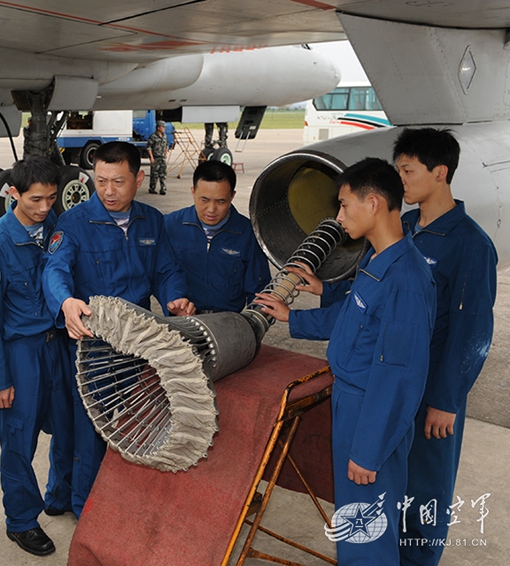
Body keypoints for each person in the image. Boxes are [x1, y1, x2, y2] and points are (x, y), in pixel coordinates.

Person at [254, 158, 436, 565]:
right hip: (354, 404)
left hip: (370, 413)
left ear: (373, 204)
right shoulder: (376, 261)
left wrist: (368, 451)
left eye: (343, 205)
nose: (337, 217)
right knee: (354, 529)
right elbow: (354, 319)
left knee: (367, 532)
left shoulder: (404, 279)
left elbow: (398, 376)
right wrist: (294, 316)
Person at [42, 141, 195, 516]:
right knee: (88, 430)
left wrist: (175, 299)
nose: (108, 191)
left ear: (139, 179)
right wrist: (65, 302)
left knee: (133, 423)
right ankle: (86, 510)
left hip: (138, 345)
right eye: (101, 181)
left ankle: (116, 498)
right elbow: (55, 269)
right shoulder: (74, 222)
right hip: (93, 346)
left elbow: (166, 270)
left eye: (118, 182)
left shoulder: (151, 221)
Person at [393, 129, 497, 564]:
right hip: (397, 384)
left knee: (426, 495)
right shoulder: (405, 228)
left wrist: (446, 400)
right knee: (392, 487)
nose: (400, 180)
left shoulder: (471, 245)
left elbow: (472, 333)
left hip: (433, 392)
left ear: (440, 173)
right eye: (398, 170)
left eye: (408, 171)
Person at [0, 156, 73, 556]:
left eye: (51, 198)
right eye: (35, 200)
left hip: (56, 346)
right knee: (19, 440)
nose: (44, 207)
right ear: (13, 193)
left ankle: (60, 495)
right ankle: (21, 520)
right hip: (20, 354)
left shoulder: (53, 229)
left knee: (66, 427)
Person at [164, 160, 271, 313]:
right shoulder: (170, 226)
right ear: (193, 191)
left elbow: (259, 290)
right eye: (204, 200)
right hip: (181, 320)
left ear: (232, 196)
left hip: (227, 323)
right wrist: (172, 304)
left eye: (221, 201)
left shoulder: (249, 234)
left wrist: (254, 322)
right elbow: (160, 276)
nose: (211, 209)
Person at [147, 120, 169, 195]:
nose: (164, 128)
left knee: (163, 174)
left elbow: (166, 144)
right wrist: (151, 157)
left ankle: (163, 189)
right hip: (156, 157)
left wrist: (166, 152)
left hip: (162, 157)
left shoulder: (164, 136)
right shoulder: (153, 136)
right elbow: (149, 147)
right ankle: (152, 188)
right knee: (154, 174)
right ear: (158, 127)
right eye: (162, 127)